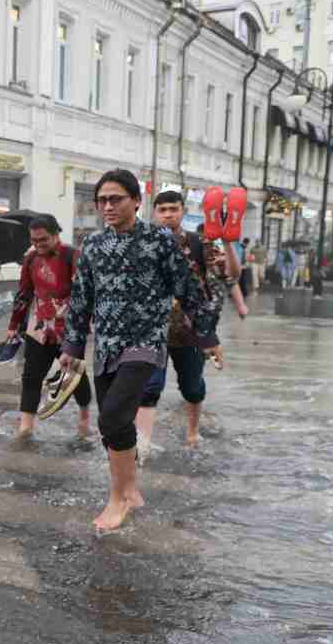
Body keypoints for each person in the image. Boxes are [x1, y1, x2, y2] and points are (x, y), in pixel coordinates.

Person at [60, 170, 221, 533]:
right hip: (106, 346)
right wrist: (71, 345)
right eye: (102, 200)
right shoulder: (94, 245)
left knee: (113, 417)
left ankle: (117, 499)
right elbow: (82, 298)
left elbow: (189, 288)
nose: (108, 206)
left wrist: (208, 337)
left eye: (115, 199)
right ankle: (130, 488)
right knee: (113, 425)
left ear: (136, 201)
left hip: (145, 343)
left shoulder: (160, 242)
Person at [135, 190, 233, 451]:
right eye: (163, 210)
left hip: (191, 329)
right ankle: (142, 444)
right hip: (151, 330)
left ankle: (192, 431)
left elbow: (218, 285)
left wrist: (209, 334)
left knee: (191, 387)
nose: (168, 215)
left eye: (173, 209)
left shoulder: (200, 243)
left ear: (182, 211)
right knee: (149, 386)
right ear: (154, 212)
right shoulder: (142, 244)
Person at [5, 214, 92, 439]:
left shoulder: (72, 255)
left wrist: (80, 329)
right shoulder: (31, 258)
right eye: (34, 240)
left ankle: (84, 416)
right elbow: (24, 292)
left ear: (55, 234)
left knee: (74, 375)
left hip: (68, 329)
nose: (38, 245)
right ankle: (26, 426)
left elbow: (83, 295)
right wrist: (14, 324)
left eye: (43, 240)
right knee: (31, 376)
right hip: (39, 327)